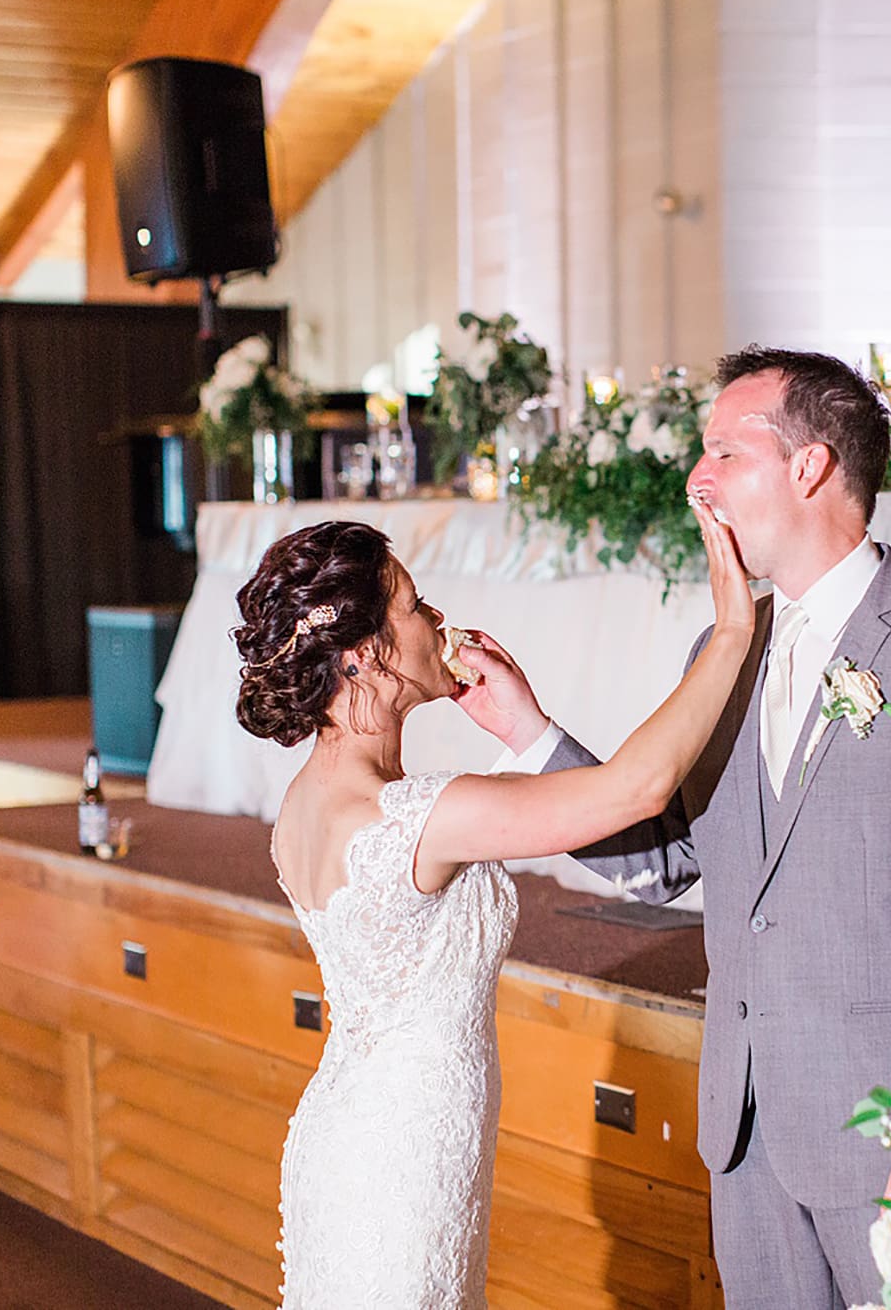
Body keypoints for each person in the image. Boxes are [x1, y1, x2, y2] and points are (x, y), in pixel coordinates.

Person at [460, 346, 891, 1307]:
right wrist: (528, 733)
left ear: (810, 466)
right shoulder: (723, 648)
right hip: (743, 1131)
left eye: (724, 453)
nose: (698, 480)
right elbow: (670, 857)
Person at [238, 507, 752, 1309]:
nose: (437, 619)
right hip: (406, 1156)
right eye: (414, 605)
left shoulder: (310, 798)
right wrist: (728, 634)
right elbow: (637, 791)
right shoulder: (422, 817)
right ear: (366, 653)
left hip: (358, 1128)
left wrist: (526, 725)